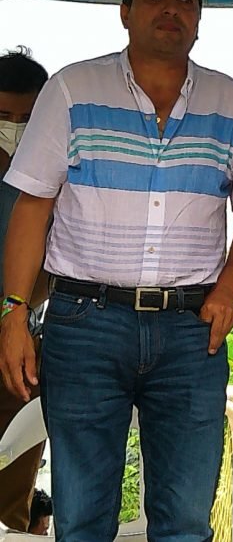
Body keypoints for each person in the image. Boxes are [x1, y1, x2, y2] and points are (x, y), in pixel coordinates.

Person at [0, 0, 233, 541]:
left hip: (192, 328)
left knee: (185, 521)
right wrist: (14, 311)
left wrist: (228, 291)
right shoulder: (73, 89)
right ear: (125, 11)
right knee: (82, 519)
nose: (171, 10)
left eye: (185, 0)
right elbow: (32, 206)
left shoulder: (230, 102)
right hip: (84, 322)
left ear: (199, 16)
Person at [0, 47, 47, 534]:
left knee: (13, 477)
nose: (13, 128)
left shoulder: (53, 176)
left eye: (26, 118)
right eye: (3, 117)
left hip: (24, 346)